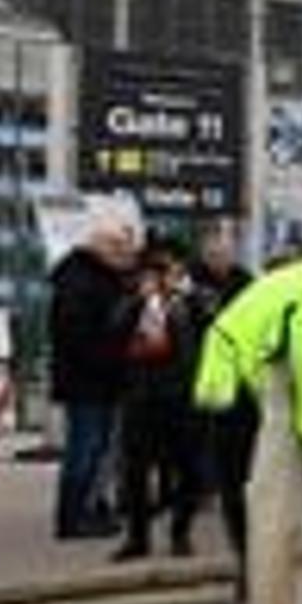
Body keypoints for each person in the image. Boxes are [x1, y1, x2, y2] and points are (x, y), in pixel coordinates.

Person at [44, 208, 139, 537]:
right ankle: (73, 516)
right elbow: (81, 335)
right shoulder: (81, 281)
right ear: (100, 245)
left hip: (98, 378)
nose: (126, 254)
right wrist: (113, 352)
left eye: (128, 247)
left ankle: (90, 509)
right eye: (118, 247)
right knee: (85, 449)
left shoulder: (100, 278)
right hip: (88, 380)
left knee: (97, 449)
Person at [110, 236, 206, 560]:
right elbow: (115, 332)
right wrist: (140, 301)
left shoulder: (193, 301)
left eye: (170, 270)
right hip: (141, 395)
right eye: (157, 270)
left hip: (181, 396)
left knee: (189, 470)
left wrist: (187, 297)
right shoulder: (133, 301)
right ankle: (138, 538)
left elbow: (212, 329)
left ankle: (181, 532)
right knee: (136, 471)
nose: (163, 277)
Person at [188, 219, 260, 555]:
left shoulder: (248, 283)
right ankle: (192, 504)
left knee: (234, 466)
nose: (219, 257)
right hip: (193, 379)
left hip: (237, 388)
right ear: (203, 252)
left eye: (226, 251)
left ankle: (246, 553)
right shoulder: (188, 284)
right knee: (191, 451)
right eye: (214, 251)